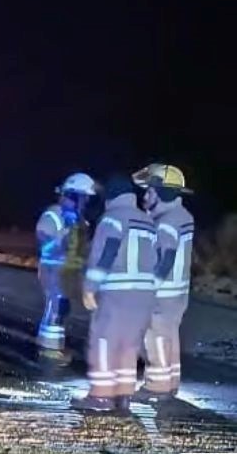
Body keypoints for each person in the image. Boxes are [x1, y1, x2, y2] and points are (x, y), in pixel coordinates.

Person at [71, 175, 159, 413]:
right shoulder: (147, 221)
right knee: (129, 345)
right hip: (145, 295)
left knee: (104, 342)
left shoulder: (111, 219)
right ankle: (123, 395)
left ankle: (100, 396)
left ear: (111, 197)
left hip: (118, 293)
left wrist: (90, 287)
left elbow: (106, 254)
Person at [134, 163, 195, 399]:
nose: (146, 196)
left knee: (154, 336)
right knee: (170, 336)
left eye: (150, 191)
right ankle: (171, 382)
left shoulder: (166, 221)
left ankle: (156, 387)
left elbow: (167, 254)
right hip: (178, 292)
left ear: (162, 193)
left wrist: (153, 285)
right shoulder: (183, 216)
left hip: (163, 292)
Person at [35, 172, 97, 354]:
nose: (85, 203)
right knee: (55, 309)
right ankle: (48, 351)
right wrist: (62, 238)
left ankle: (54, 347)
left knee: (62, 310)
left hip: (69, 272)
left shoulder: (80, 220)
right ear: (73, 196)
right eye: (83, 198)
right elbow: (43, 241)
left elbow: (83, 248)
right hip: (53, 270)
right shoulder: (54, 215)